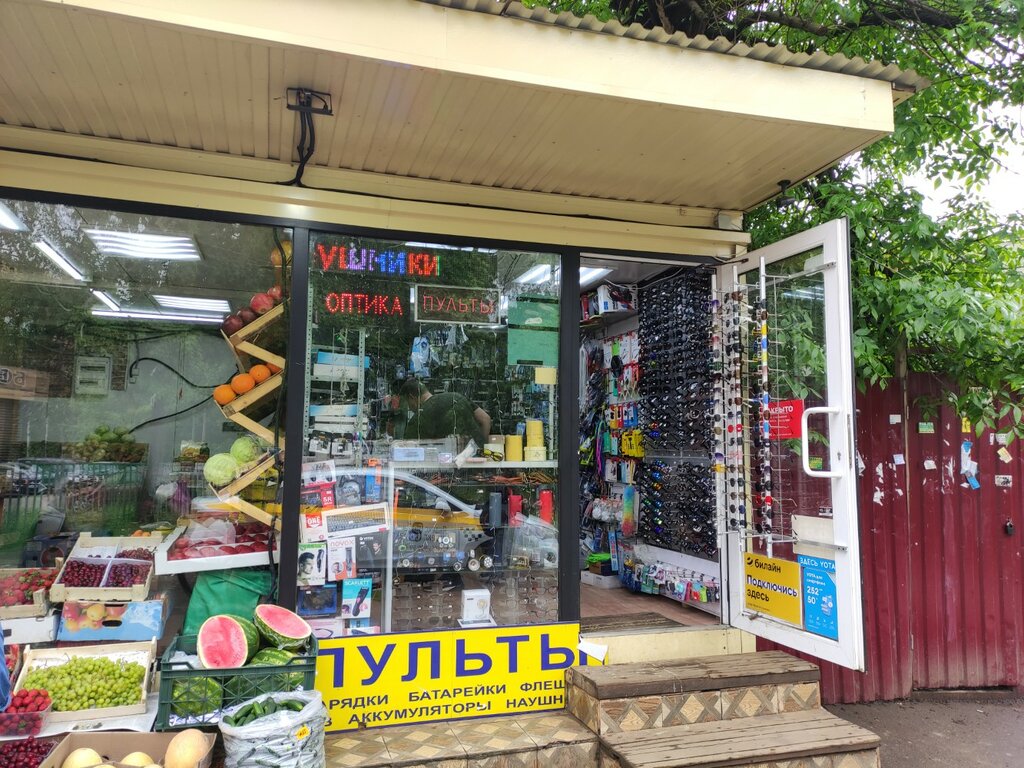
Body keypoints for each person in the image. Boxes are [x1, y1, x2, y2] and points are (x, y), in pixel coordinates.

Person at [400, 380, 490, 449]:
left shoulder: (419, 418)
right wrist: (482, 447)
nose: (410, 408)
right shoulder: (457, 397)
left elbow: (408, 449)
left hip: (450, 463)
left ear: (411, 397)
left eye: (407, 403)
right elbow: (485, 419)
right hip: (477, 458)